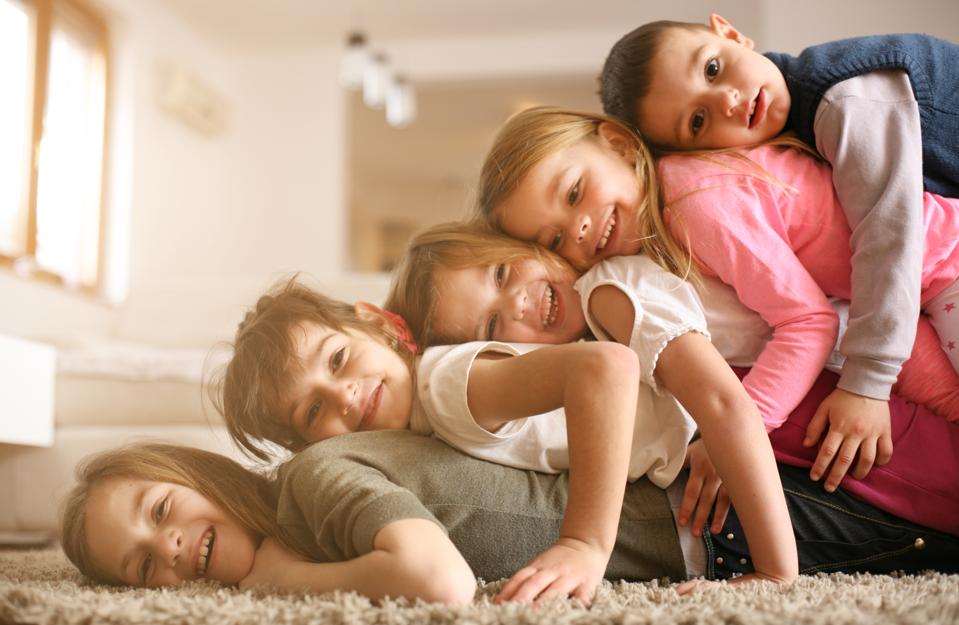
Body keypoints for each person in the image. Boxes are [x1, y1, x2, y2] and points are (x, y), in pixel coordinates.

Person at [209, 276, 798, 600]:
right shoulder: (423, 421)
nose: (344, 395)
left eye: (338, 359)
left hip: (723, 473)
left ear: (385, 326)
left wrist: (585, 543)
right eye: (315, 411)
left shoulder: (443, 384)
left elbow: (605, 368)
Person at [473, 106, 959, 490]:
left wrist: (734, 439)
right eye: (555, 239)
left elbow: (809, 323)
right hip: (887, 298)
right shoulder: (665, 224)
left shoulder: (695, 203)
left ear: (619, 145)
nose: (576, 227)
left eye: (575, 192)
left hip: (939, 260)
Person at [385, 219, 959, 536]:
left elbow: (724, 402)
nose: (518, 304)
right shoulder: (579, 343)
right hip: (755, 430)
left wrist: (774, 570)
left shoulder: (615, 287)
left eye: (504, 272)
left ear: (524, 242)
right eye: (492, 323)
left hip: (781, 405)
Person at [598, 17, 959, 484]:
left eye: (711, 68)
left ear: (729, 33)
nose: (726, 100)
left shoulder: (848, 102)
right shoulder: (769, 143)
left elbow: (889, 234)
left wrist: (866, 385)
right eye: (698, 121)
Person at [59, 434, 959, 603]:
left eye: (160, 510)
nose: (169, 546)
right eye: (145, 566)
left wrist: (291, 581)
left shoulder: (311, 483)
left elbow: (438, 581)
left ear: (198, 472)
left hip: (702, 522)